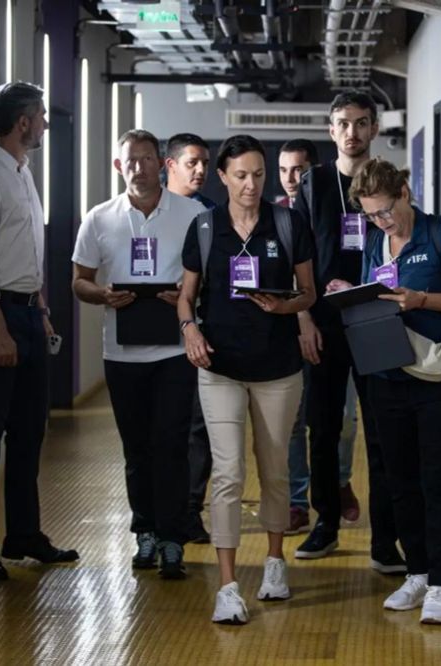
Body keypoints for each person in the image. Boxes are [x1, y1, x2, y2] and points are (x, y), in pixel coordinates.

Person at [177, 135, 316, 624]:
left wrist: (286, 306)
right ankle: (229, 585)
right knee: (229, 474)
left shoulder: (288, 222)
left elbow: (309, 293)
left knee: (275, 470)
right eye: (241, 175)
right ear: (223, 177)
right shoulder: (205, 227)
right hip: (220, 369)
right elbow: (184, 297)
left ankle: (275, 563)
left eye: (258, 174)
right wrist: (189, 328)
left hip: (278, 370)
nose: (251, 184)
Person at [348, 157, 441, 624]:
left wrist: (422, 299)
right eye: (371, 215)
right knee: (399, 480)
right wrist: (353, 290)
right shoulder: (374, 242)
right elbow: (376, 293)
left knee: (439, 480)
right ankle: (418, 572)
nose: (381, 221)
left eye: (385, 210)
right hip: (389, 373)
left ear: (404, 192)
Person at [0, 81, 78, 581]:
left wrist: (42, 308)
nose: (46, 123)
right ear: (23, 122)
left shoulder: (23, 173)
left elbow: (26, 255)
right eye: (42, 116)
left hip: (26, 312)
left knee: (30, 431)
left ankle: (23, 533)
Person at [72, 129, 205, 579]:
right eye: (131, 160)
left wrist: (186, 296)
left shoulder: (193, 214)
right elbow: (79, 281)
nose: (140, 168)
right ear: (118, 166)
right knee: (137, 450)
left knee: (171, 446)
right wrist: (103, 295)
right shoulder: (99, 218)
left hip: (175, 351)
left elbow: (210, 275)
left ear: (162, 165)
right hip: (122, 353)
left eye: (148, 159)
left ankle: (172, 539)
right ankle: (144, 532)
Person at [292, 91, 403, 573]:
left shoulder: (388, 182)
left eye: (361, 123)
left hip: (376, 316)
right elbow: (298, 255)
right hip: (324, 322)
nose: (352, 132)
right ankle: (326, 523)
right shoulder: (314, 183)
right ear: (330, 129)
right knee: (324, 426)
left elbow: (404, 239)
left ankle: (385, 539)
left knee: (381, 430)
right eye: (343, 123)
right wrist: (302, 318)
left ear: (375, 128)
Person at [275, 139, 360, 535]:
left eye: (299, 170)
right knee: (299, 421)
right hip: (298, 327)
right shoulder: (276, 217)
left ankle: (339, 481)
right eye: (284, 170)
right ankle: (299, 500)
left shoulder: (336, 198)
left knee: (342, 418)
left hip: (341, 324)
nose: (292, 178)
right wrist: (302, 318)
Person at [165, 132, 216, 544]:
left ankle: (189, 511)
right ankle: (155, 515)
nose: (200, 170)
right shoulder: (150, 210)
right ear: (172, 165)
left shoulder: (212, 215)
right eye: (192, 162)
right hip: (150, 338)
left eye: (204, 163)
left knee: (201, 428)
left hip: (201, 336)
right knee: (165, 431)